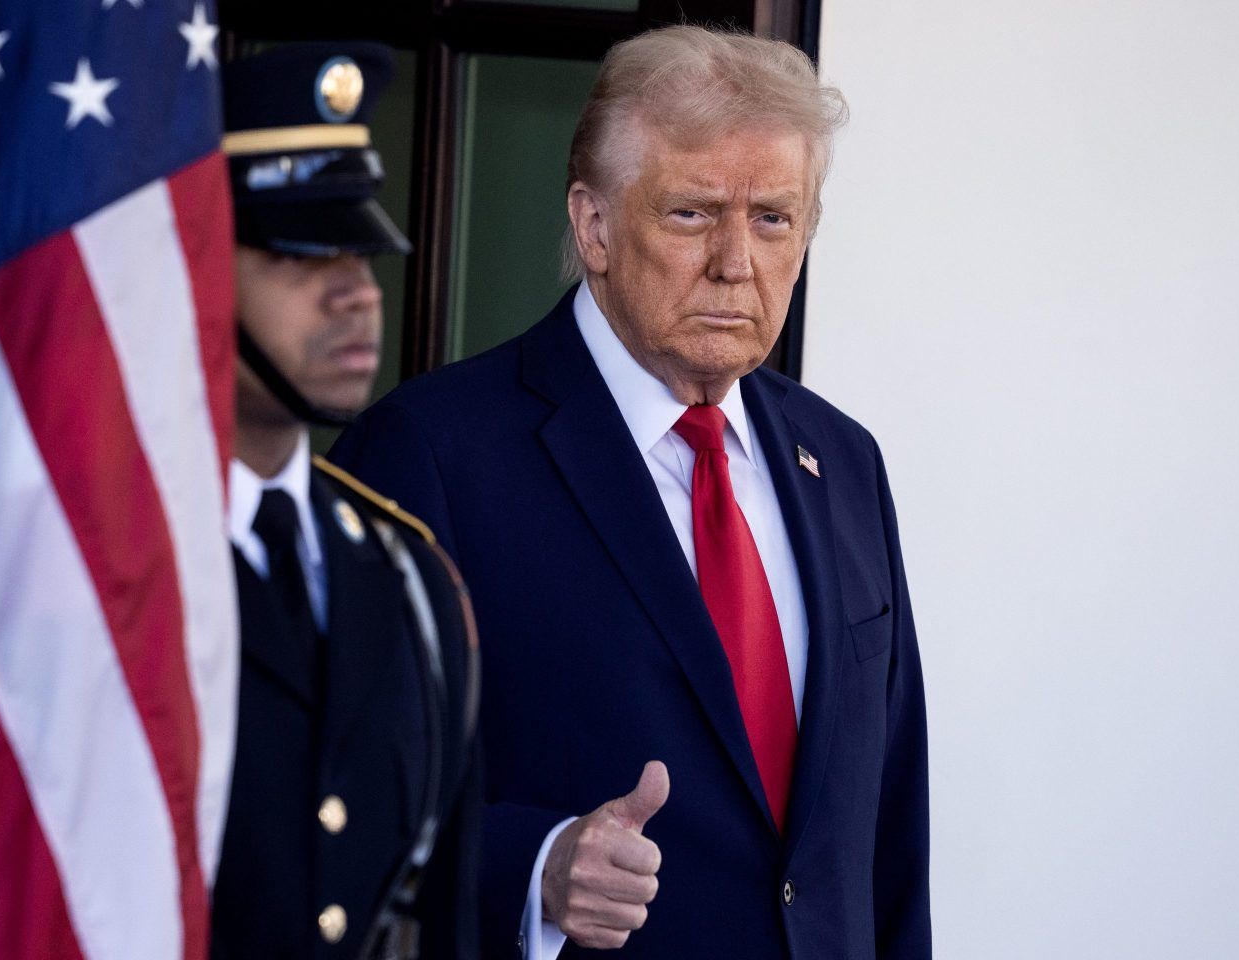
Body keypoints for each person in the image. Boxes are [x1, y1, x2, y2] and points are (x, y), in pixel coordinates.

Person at [331, 24, 930, 960]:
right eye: (693, 213)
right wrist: (535, 869)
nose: (738, 261)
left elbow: (889, 834)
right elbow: (339, 802)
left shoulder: (843, 461)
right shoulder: (429, 453)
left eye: (773, 217)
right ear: (595, 225)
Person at [209, 43, 480, 960]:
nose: (358, 293)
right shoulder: (83, 567)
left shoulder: (412, 579)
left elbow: (435, 915)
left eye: (361, 250)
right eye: (301, 254)